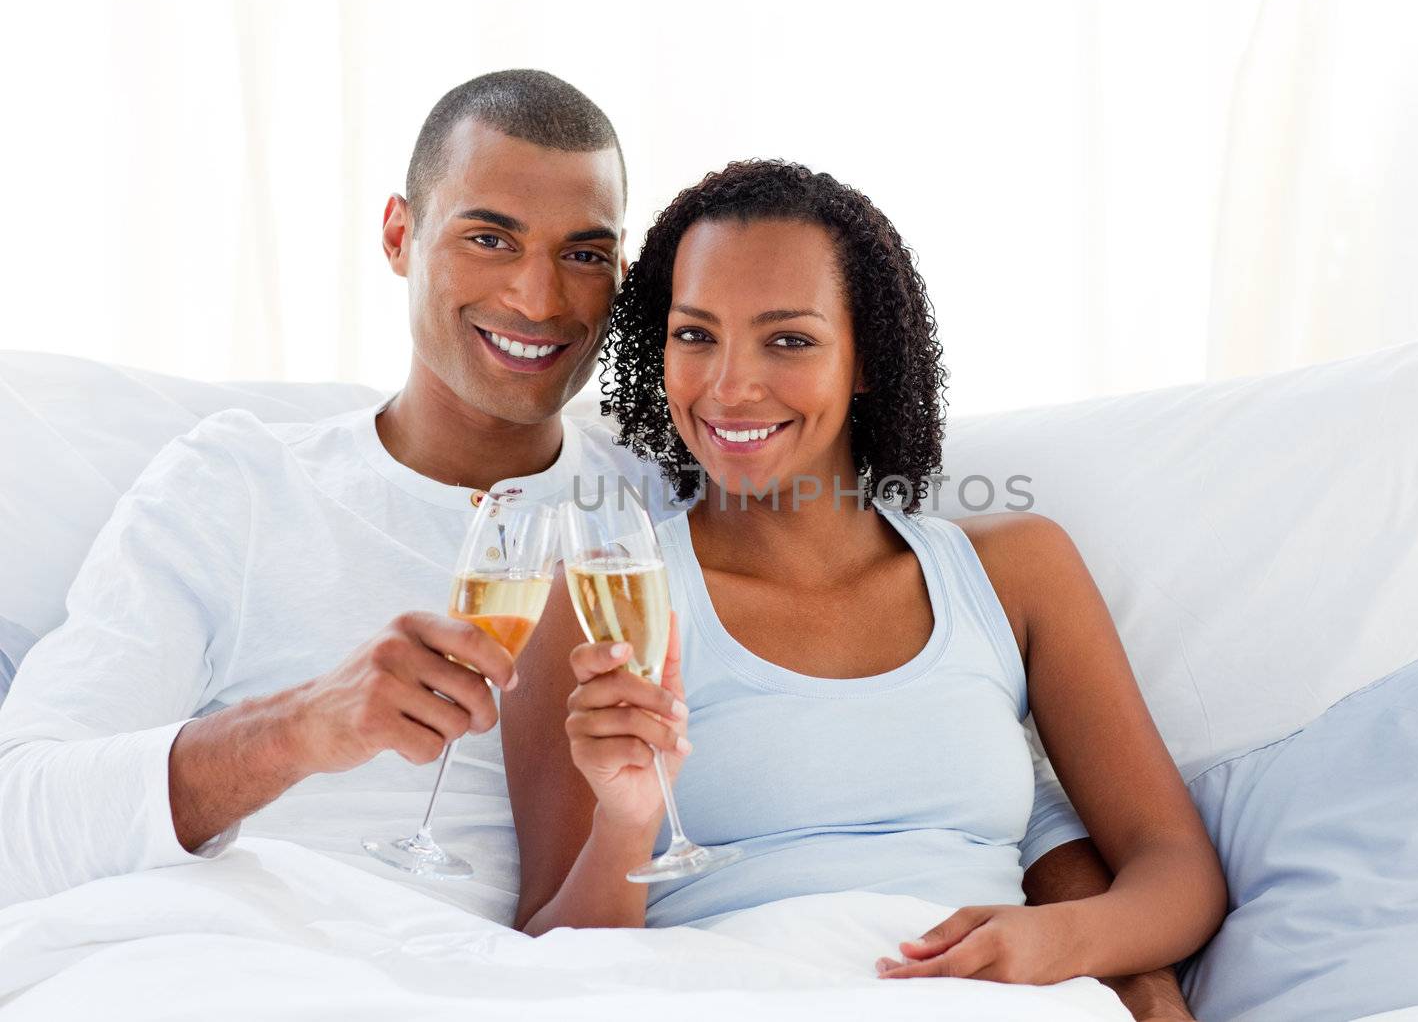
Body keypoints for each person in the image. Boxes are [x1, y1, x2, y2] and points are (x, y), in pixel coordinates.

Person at [503, 161, 1226, 1012]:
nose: (731, 385)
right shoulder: (601, 598)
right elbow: (546, 958)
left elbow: (1176, 868)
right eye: (695, 334)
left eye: (789, 339)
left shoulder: (1015, 571)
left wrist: (1054, 940)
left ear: (866, 360)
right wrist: (624, 825)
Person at [0, 69, 662, 921]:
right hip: (247, 956)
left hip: (517, 981)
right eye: (490, 239)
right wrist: (301, 727)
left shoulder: (654, 507)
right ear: (398, 235)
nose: (538, 299)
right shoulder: (237, 484)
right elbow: (16, 820)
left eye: (583, 254)